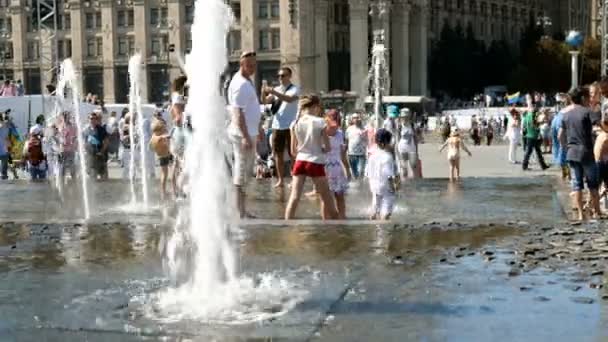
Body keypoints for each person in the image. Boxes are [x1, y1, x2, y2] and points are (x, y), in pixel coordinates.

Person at [284, 95, 339, 220]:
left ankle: (286, 225)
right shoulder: (320, 122)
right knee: (327, 197)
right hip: (315, 162)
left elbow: (293, 151)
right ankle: (339, 227)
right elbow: (327, 147)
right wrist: (321, 150)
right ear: (315, 106)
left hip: (300, 161)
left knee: (294, 197)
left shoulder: (295, 122)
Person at [228, 51, 264, 218]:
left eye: (254, 64)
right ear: (241, 65)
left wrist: (259, 128)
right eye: (249, 65)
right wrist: (245, 136)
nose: (253, 68)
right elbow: (238, 112)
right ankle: (239, 212)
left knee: (245, 172)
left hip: (250, 131)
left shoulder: (245, 80)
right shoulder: (240, 84)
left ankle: (242, 209)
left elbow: (251, 108)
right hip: (244, 134)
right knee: (241, 172)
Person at [559, 86, 600, 221]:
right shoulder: (587, 112)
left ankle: (581, 215)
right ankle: (597, 212)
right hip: (586, 152)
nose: (589, 99)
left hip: (572, 153)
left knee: (577, 184)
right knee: (593, 183)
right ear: (583, 98)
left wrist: (566, 147)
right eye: (588, 96)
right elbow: (599, 125)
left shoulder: (565, 115)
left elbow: (560, 135)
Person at [262, 66, 300, 188]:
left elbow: (288, 99)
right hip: (276, 126)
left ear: (289, 76)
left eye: (283, 75)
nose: (280, 78)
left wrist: (273, 91)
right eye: (279, 76)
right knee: (277, 153)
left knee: (293, 153)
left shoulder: (295, 89)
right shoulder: (277, 89)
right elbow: (265, 101)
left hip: (290, 125)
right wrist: (263, 92)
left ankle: (295, 179)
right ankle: (281, 180)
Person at [366, 128, 399, 220]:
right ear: (385, 143)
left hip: (374, 186)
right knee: (386, 212)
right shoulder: (388, 157)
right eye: (389, 142)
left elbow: (368, 173)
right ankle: (383, 231)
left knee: (375, 208)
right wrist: (394, 187)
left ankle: (374, 228)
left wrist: (372, 184)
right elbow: (388, 174)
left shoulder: (372, 156)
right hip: (385, 186)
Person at [324, 109, 351, 219]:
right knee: (326, 197)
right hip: (325, 167)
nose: (334, 128)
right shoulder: (322, 133)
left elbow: (343, 155)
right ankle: (325, 221)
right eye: (332, 125)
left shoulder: (340, 134)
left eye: (336, 125)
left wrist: (348, 170)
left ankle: (342, 218)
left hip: (337, 168)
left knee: (339, 195)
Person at [150, 119, 173, 201]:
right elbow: (167, 136)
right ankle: (163, 191)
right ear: (159, 130)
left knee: (165, 173)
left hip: (162, 155)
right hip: (165, 155)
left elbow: (150, 147)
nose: (164, 129)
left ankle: (164, 190)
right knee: (165, 173)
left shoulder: (153, 136)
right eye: (163, 128)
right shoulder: (159, 137)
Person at [83, 112, 109, 180]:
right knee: (92, 175)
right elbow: (83, 142)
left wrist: (102, 151)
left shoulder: (101, 129)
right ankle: (94, 188)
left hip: (99, 155)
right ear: (88, 119)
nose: (93, 120)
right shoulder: (86, 130)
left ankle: (104, 189)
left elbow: (106, 141)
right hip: (90, 155)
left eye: (95, 118)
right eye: (91, 118)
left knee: (103, 176)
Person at [396, 108, 419, 179]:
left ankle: (413, 184)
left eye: (406, 116)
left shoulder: (412, 125)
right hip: (402, 149)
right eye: (403, 117)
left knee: (413, 167)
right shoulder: (399, 126)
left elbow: (415, 138)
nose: (405, 118)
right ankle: (404, 184)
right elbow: (397, 139)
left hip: (412, 149)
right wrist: (397, 152)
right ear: (401, 117)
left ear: (409, 116)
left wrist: (417, 151)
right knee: (404, 169)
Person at [345, 113, 368, 179]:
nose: (356, 119)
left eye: (358, 117)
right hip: (351, 154)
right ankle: (358, 187)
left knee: (361, 172)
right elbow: (346, 141)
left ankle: (361, 187)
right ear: (352, 120)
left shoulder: (364, 129)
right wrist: (345, 152)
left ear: (360, 118)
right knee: (355, 174)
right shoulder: (349, 129)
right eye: (354, 118)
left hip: (361, 154)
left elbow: (367, 141)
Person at [57, 112, 77, 182]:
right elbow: (58, 137)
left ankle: (74, 181)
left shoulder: (73, 126)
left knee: (72, 167)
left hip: (71, 149)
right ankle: (62, 181)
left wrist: (73, 141)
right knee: (62, 167)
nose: (66, 118)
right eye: (64, 116)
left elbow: (75, 137)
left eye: (67, 116)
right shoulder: (60, 126)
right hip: (62, 150)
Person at [0, 114, 11, 179]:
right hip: (5, 148)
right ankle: (3, 175)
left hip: (4, 148)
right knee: (4, 166)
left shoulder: (5, 125)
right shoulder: (6, 125)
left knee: (4, 166)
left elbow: (8, 121)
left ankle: (3, 176)